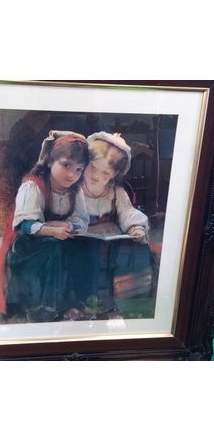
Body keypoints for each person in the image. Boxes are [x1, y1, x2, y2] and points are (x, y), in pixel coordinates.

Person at [0, 130, 90, 323]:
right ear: (51, 161)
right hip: (26, 245)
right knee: (53, 247)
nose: (72, 175)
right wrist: (50, 229)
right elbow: (24, 225)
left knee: (83, 247)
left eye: (79, 169)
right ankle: (44, 309)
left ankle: (81, 301)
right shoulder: (33, 185)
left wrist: (65, 225)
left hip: (58, 238)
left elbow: (82, 221)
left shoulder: (76, 191)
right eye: (67, 165)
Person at [69, 131, 153, 317]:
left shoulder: (116, 192)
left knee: (140, 249)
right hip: (81, 242)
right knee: (88, 250)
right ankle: (87, 303)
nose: (97, 176)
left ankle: (128, 304)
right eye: (93, 167)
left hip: (112, 242)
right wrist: (84, 229)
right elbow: (68, 215)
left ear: (114, 174)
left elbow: (127, 212)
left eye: (105, 172)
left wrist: (135, 227)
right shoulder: (74, 188)